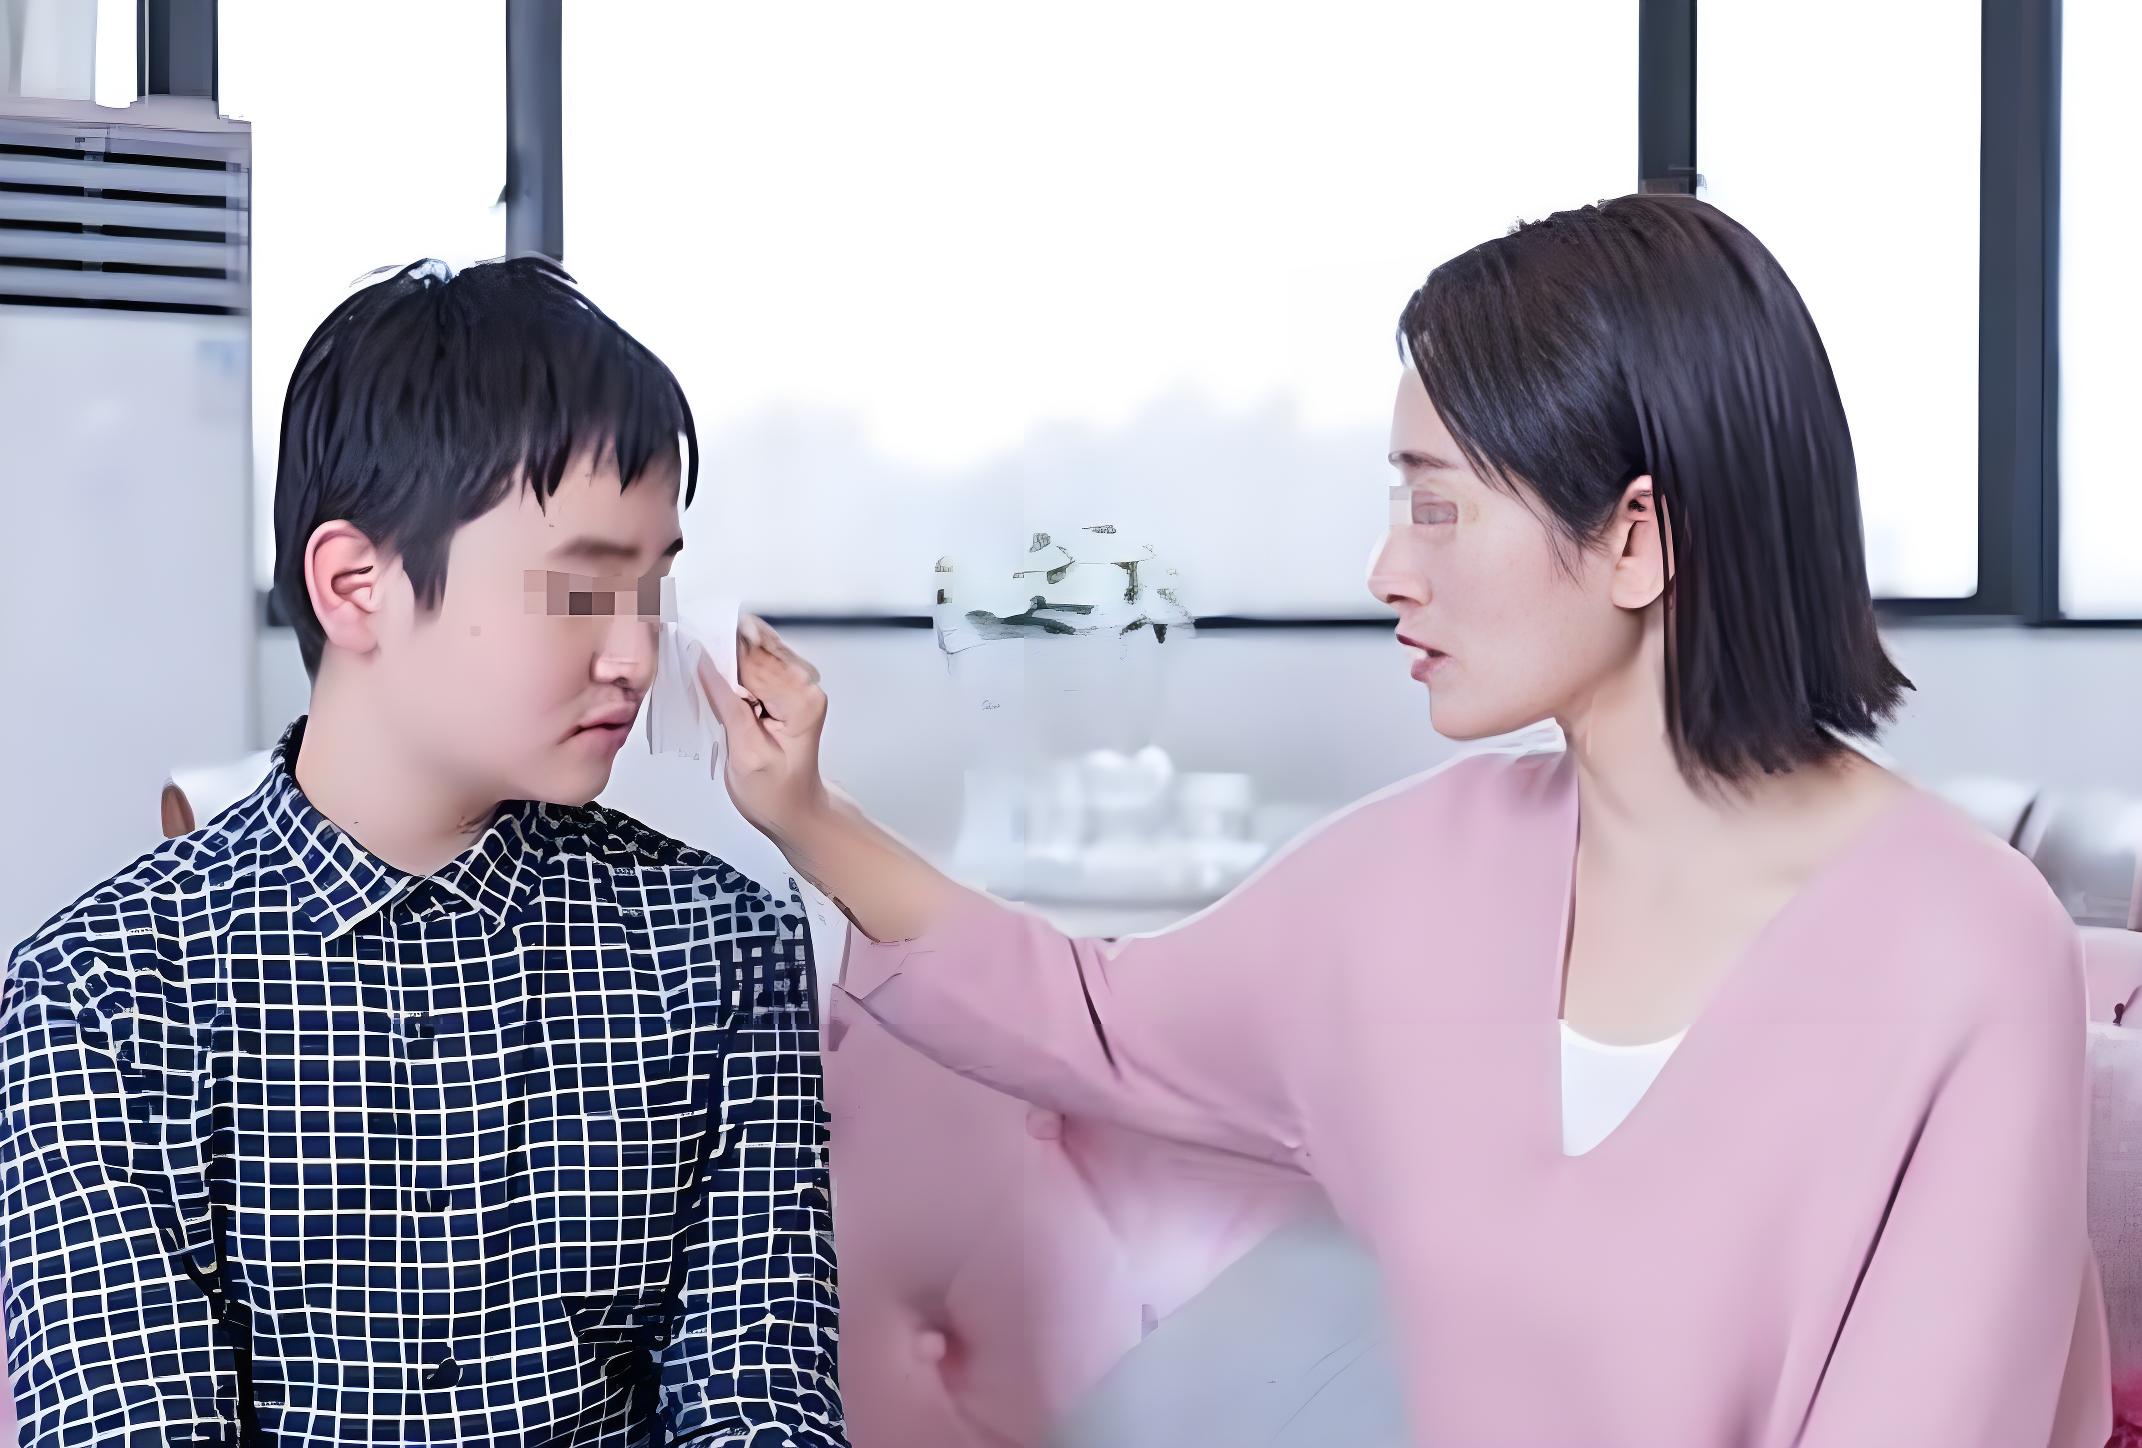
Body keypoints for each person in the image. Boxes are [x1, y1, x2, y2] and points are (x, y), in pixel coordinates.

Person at [702, 196, 2110, 1446]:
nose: (1387, 567)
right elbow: (1094, 1018)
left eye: (1436, 508)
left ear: (1636, 537)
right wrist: (808, 814)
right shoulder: (1418, 872)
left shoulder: (1964, 947)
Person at [0, 258, 846, 1447]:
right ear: (357, 586)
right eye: (580, 590)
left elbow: (758, 1405)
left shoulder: (723, 943)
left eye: (652, 588)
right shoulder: (101, 992)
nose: (634, 656)